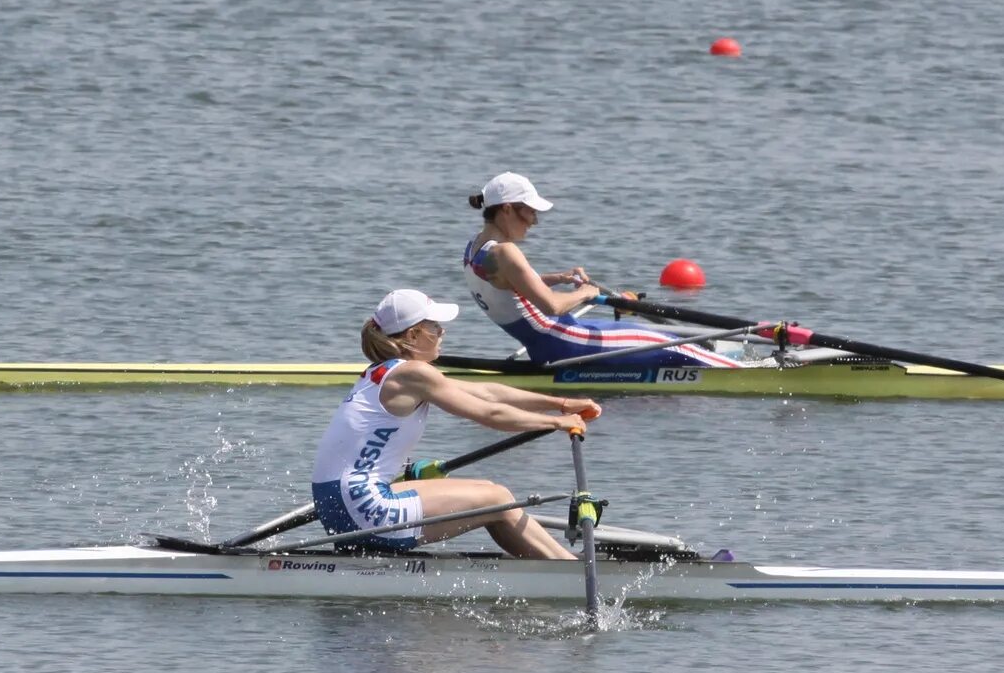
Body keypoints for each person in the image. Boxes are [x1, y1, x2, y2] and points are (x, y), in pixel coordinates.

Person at [312, 288, 600, 558]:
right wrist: (557, 423)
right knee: (497, 497)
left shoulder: (384, 372)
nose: (442, 332)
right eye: (435, 327)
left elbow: (487, 392)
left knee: (487, 490)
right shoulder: (413, 374)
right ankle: (570, 572)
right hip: (362, 506)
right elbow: (491, 415)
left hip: (337, 501)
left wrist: (560, 404)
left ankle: (557, 564)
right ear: (412, 335)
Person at [461, 172, 740, 369]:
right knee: (674, 345)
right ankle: (750, 372)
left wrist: (557, 278)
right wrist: (585, 292)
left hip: (551, 341)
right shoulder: (506, 252)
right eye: (531, 212)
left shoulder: (475, 248)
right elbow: (552, 306)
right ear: (508, 209)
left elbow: (509, 286)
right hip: (566, 341)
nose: (534, 221)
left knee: (666, 337)